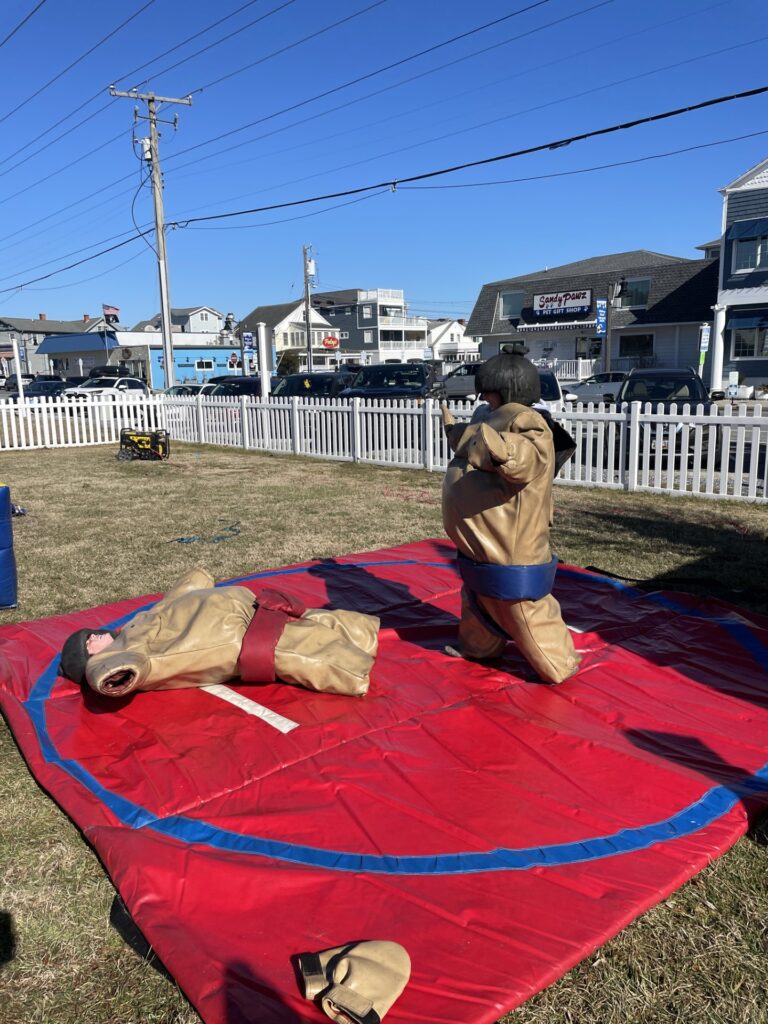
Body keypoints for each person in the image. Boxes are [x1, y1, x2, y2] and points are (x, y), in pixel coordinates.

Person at [441, 344, 580, 684]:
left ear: (506, 389)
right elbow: (473, 442)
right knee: (477, 599)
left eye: (487, 394)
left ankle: (559, 664)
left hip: (511, 551)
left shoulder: (527, 423)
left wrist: (505, 452)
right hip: (482, 546)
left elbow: (527, 457)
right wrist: (459, 432)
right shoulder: (490, 420)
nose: (483, 399)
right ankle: (480, 647)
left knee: (522, 608)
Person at [59, 568, 379, 699]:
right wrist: (105, 671)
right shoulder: (118, 654)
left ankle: (363, 633)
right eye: (90, 640)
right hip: (230, 638)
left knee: (301, 620)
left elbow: (171, 604)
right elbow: (108, 673)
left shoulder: (131, 629)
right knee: (300, 646)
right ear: (90, 653)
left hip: (235, 607)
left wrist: (194, 581)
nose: (95, 636)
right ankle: (353, 670)